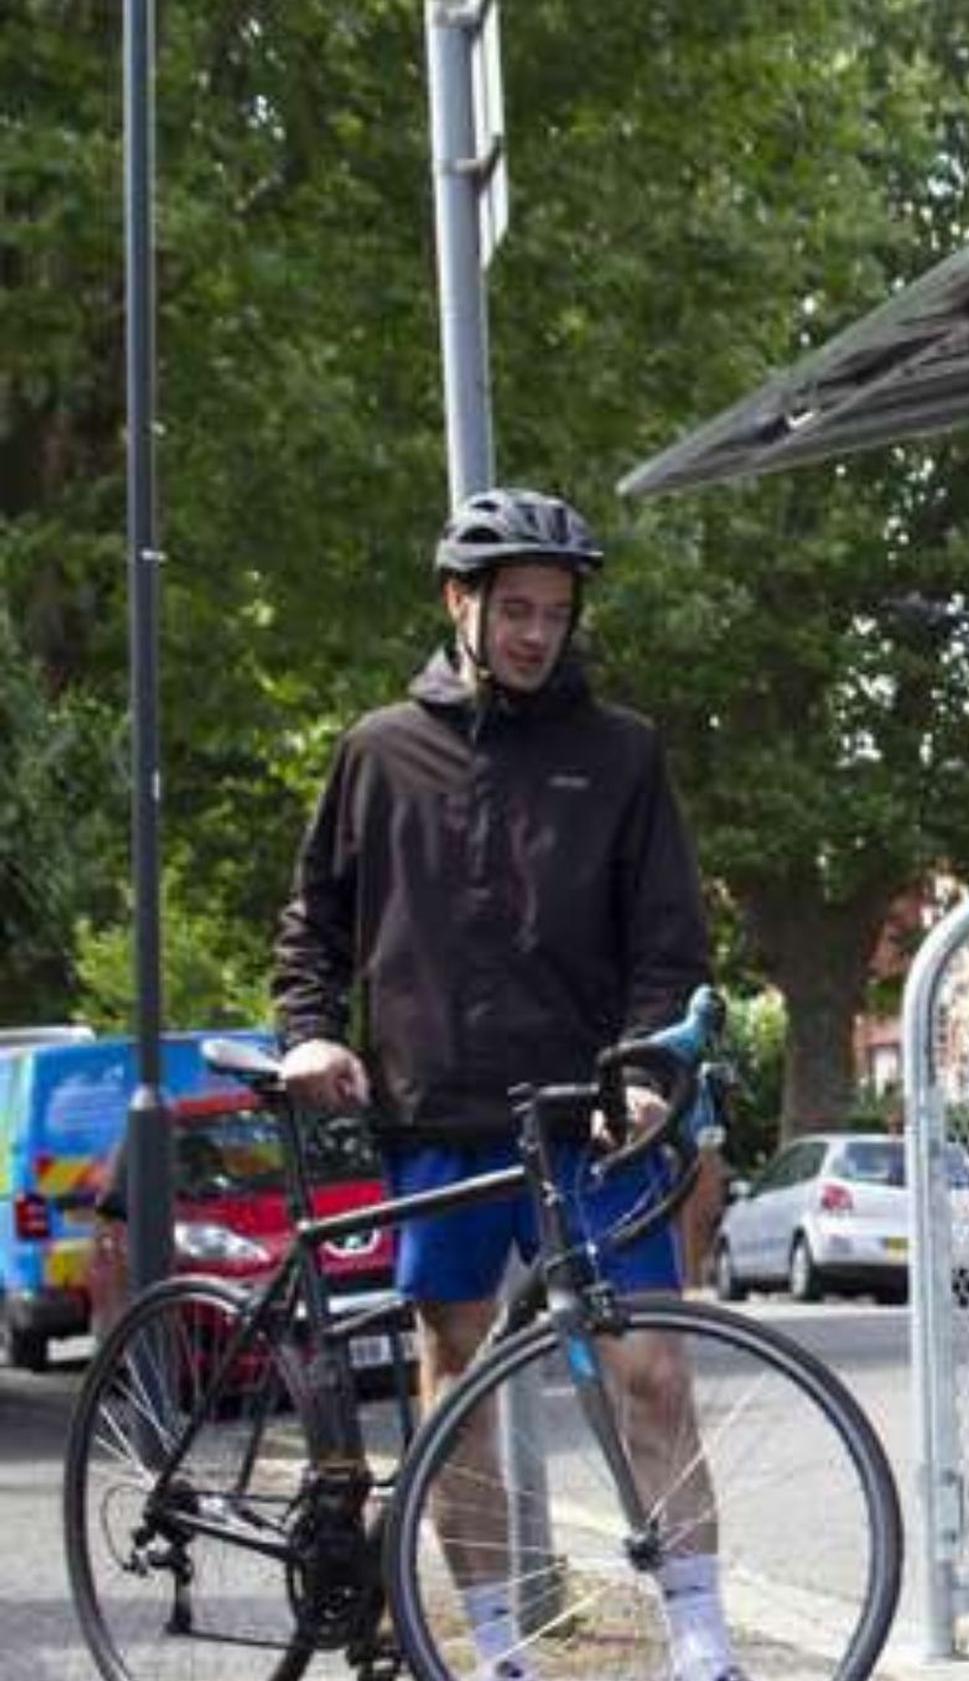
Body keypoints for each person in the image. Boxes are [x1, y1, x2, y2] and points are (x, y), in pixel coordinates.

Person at [271, 487, 734, 1681]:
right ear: (458, 603)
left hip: (589, 1122)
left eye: (555, 612)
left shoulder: (621, 753)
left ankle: (702, 1643)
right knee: (455, 1368)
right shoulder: (377, 751)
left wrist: (645, 1070)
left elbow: (668, 941)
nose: (536, 633)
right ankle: (491, 1650)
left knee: (653, 1367)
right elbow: (310, 925)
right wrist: (314, 1032)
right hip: (442, 1115)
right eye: (514, 609)